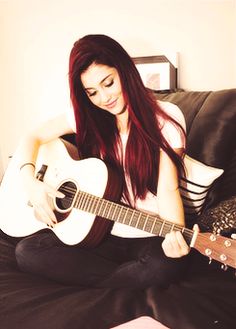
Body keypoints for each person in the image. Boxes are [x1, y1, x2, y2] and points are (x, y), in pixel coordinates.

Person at [15, 34, 195, 289]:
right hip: (100, 230)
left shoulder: (166, 118)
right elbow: (31, 137)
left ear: (124, 70)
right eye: (92, 92)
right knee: (27, 250)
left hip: (147, 234)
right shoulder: (88, 117)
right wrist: (30, 182)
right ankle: (122, 280)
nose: (104, 98)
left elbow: (168, 190)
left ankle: (105, 281)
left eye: (108, 83)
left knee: (168, 264)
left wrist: (173, 234)